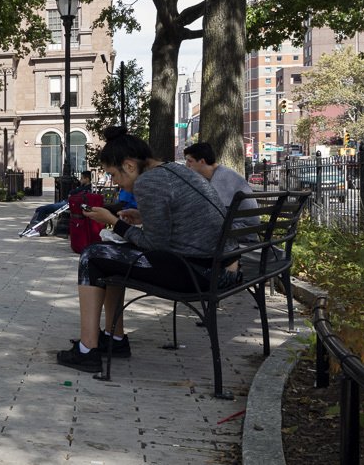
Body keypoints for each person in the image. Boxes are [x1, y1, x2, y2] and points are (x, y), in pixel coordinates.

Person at [56, 126, 232, 373]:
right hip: (215, 266)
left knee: (91, 255)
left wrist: (115, 222)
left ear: (129, 165)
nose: (115, 183)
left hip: (195, 272)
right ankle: (114, 339)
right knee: (108, 252)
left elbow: (154, 245)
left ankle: (87, 349)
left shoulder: (148, 182)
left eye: (114, 175)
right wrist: (141, 216)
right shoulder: (173, 169)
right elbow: (179, 219)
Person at [184, 141, 259, 229]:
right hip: (236, 228)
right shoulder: (218, 174)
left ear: (202, 161)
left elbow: (213, 212)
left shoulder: (223, 178)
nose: (186, 165)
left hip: (240, 230)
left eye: (190, 161)